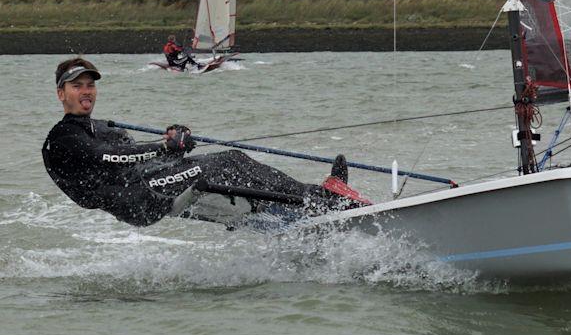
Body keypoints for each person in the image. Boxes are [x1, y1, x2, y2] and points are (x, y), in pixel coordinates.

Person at [42, 57, 368, 227]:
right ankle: (324, 199)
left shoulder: (100, 127)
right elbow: (111, 159)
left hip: (146, 185)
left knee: (229, 164)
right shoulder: (62, 138)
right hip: (135, 199)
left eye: (90, 85)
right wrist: (164, 148)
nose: (86, 91)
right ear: (61, 94)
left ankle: (283, 217)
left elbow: (136, 153)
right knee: (224, 164)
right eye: (76, 86)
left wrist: (173, 139)